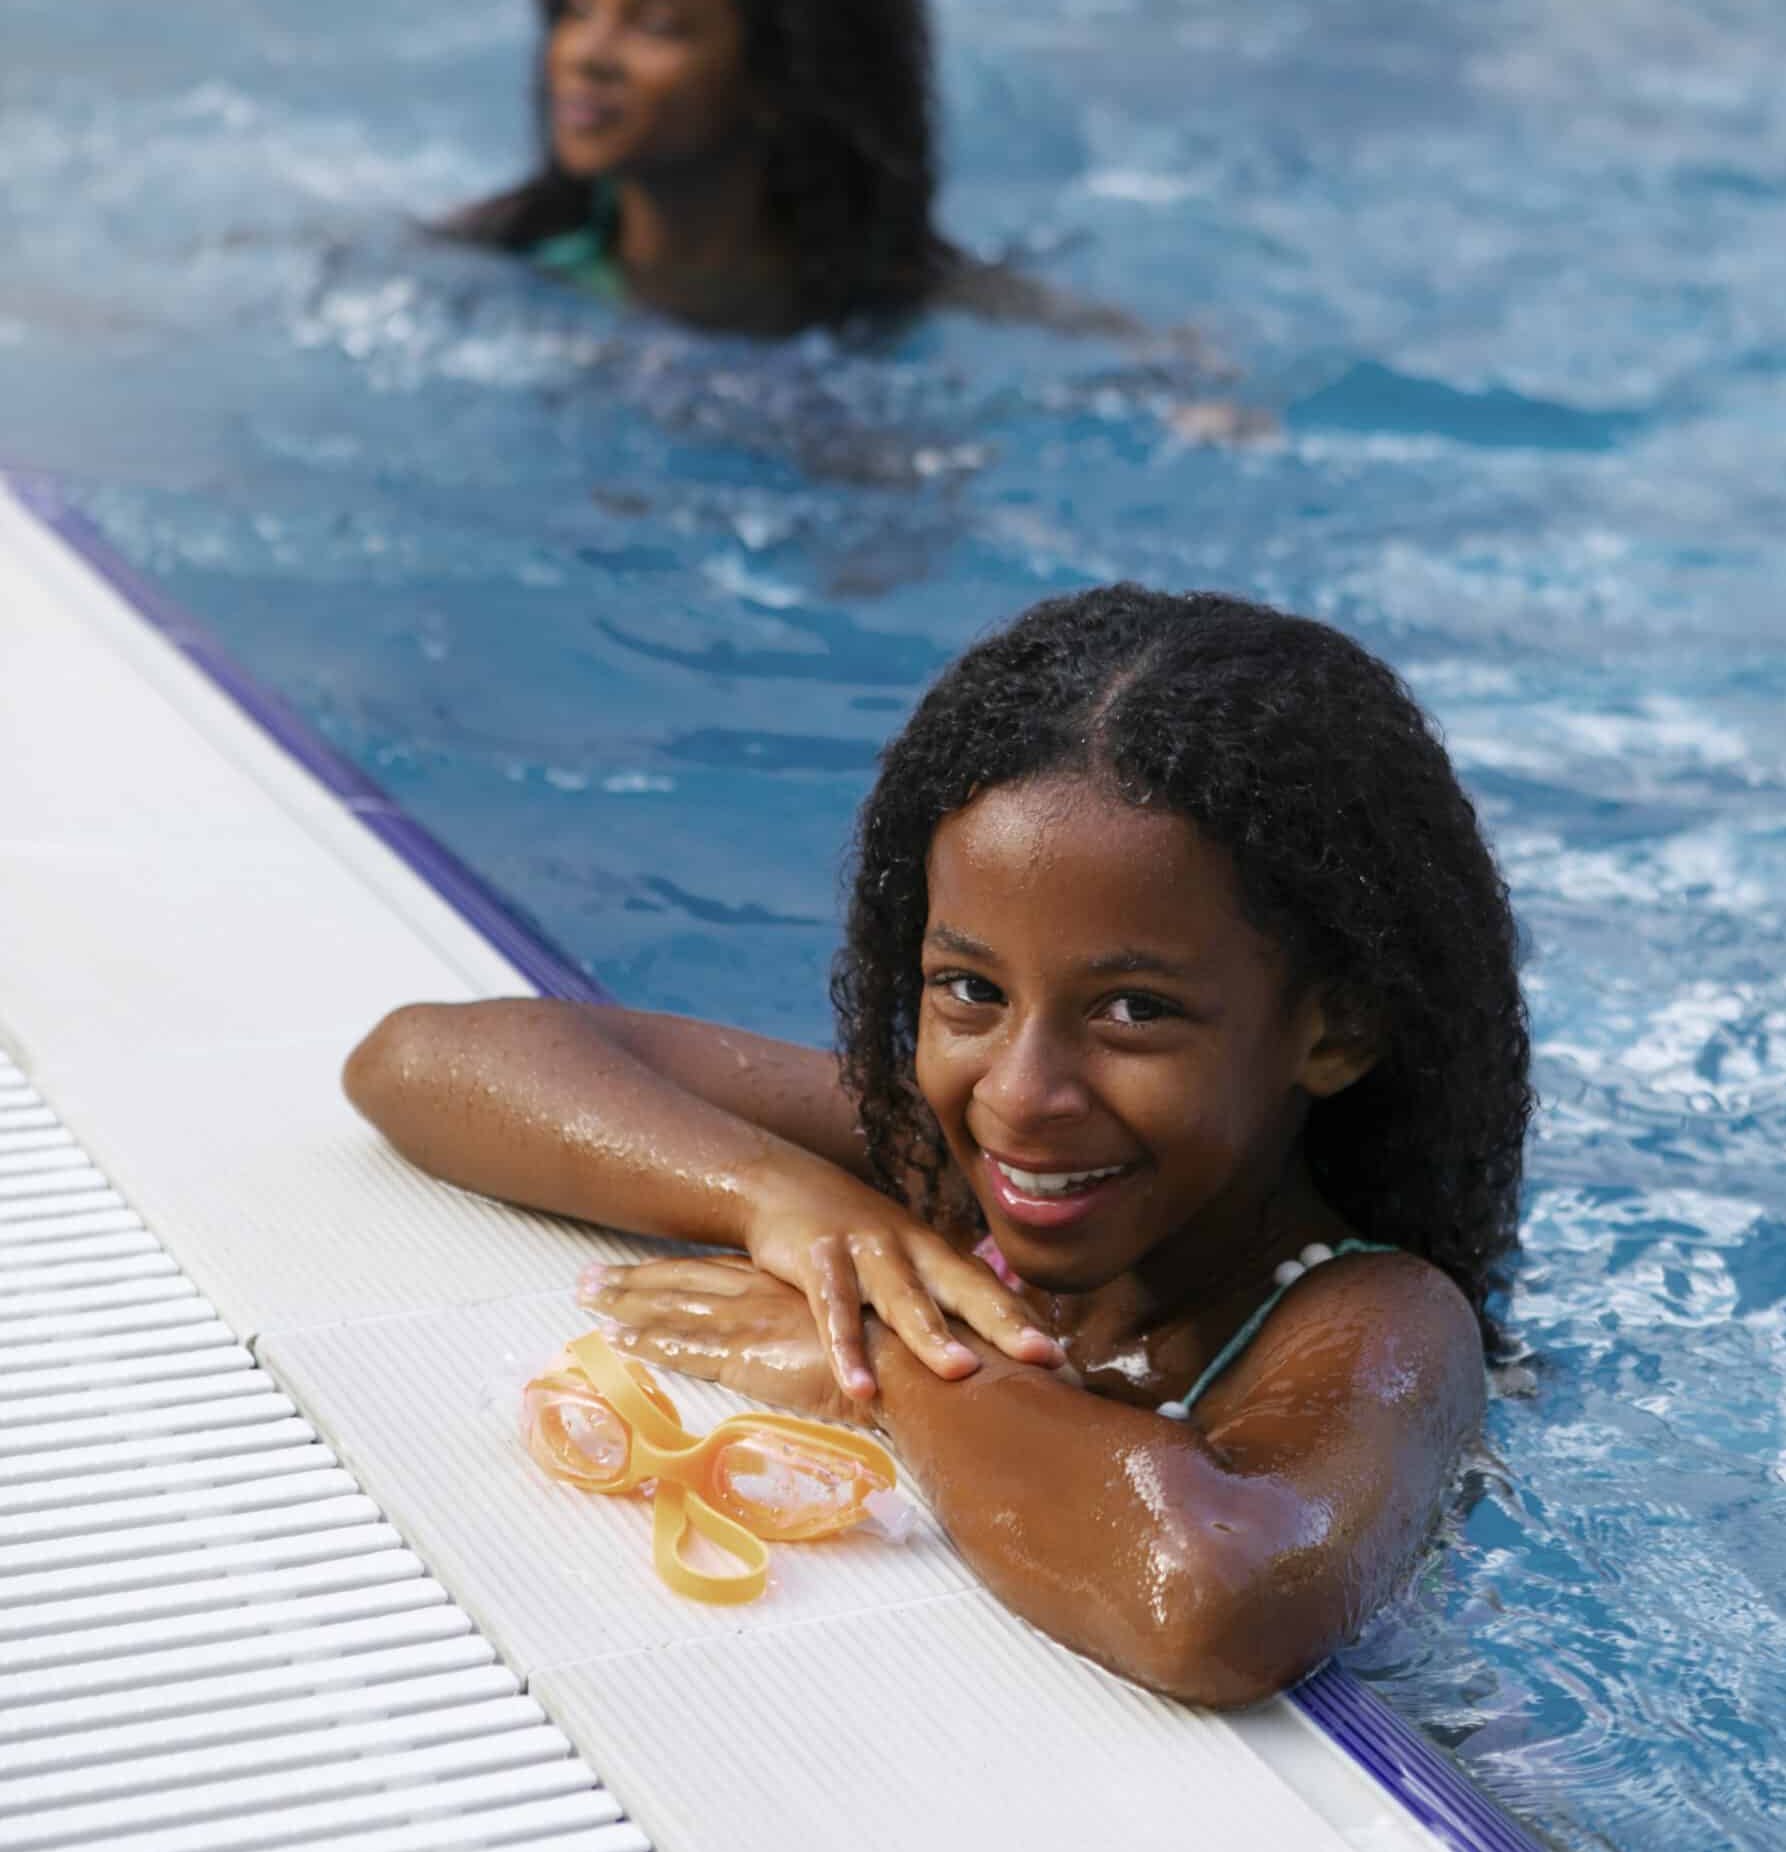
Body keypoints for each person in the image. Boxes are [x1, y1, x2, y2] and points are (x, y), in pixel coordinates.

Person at [344, 585, 1528, 1706]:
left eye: (1134, 1011)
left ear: (1336, 1032)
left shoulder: (1376, 1320)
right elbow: (421, 1060)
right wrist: (779, 1197)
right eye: (969, 989)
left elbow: (1211, 1601)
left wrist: (892, 1362)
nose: (1020, 1093)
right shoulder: (943, 1176)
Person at [444, 0, 955, 336]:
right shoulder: (480, 285)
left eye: (656, 25)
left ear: (779, 72)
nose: (587, 55)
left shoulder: (931, 314)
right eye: (579, 8)